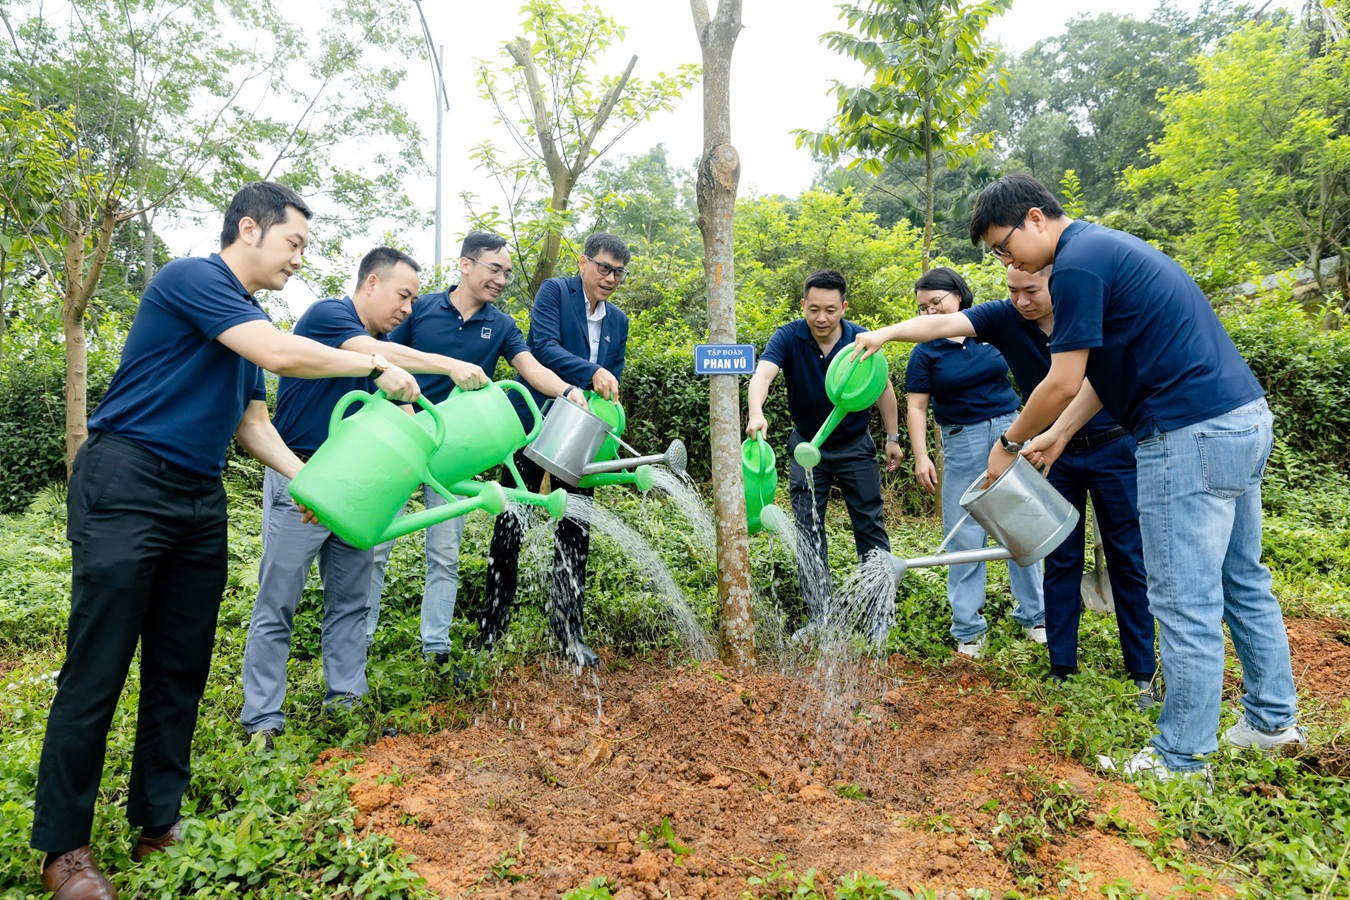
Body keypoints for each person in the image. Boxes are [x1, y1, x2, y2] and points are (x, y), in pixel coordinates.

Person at [30, 182, 422, 900]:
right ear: (249, 228)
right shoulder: (195, 279)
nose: (299, 259)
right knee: (99, 667)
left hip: (197, 497)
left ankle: (158, 822)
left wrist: (314, 486)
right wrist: (372, 362)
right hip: (127, 481)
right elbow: (278, 354)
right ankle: (65, 849)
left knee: (180, 665)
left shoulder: (245, 319)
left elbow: (252, 424)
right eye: (293, 242)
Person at [966, 172, 1304, 780]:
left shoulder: (1074, 268)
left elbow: (1062, 379)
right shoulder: (1105, 250)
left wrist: (1008, 442)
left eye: (1003, 244)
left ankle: (1181, 755)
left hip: (1187, 435)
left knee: (1181, 599)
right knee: (1243, 579)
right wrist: (1060, 433)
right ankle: (1272, 722)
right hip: (1240, 419)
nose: (1006, 258)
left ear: (1035, 218)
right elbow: (1104, 375)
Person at [856, 265, 1155, 700]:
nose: (1021, 299)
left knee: (1124, 556)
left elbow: (1080, 384)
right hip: (1042, 449)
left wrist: (1015, 439)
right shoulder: (1000, 320)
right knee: (1055, 552)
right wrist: (885, 333)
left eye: (1031, 290)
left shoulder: (1082, 316)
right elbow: (935, 336)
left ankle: (1139, 670)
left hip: (1093, 443)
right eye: (1013, 290)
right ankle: (1058, 665)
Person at [240, 247, 491, 747]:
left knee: (351, 602)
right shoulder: (330, 316)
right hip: (302, 478)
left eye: (416, 300)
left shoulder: (382, 349)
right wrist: (449, 364)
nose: (408, 308)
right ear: (371, 284)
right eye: (402, 295)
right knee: (279, 602)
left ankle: (347, 706)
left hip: (359, 485)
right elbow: (373, 357)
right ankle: (262, 718)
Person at [365, 231, 584, 664]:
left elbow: (531, 369)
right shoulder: (420, 308)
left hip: (457, 451)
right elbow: (382, 357)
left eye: (506, 272)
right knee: (375, 548)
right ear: (465, 265)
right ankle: (361, 640)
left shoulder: (501, 325)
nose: (502, 279)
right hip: (402, 435)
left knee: (444, 552)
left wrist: (567, 390)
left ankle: (436, 647)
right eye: (494, 269)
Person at [479, 233, 632, 669]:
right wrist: (592, 371)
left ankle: (568, 632)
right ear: (583, 263)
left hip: (580, 431)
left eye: (618, 272)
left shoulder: (618, 320)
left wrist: (605, 397)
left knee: (576, 528)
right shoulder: (555, 292)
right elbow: (542, 347)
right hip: (535, 419)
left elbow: (611, 378)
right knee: (513, 518)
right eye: (603, 267)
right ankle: (492, 631)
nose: (610, 278)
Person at [745, 269, 903, 638]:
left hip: (854, 448)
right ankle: (820, 617)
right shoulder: (788, 336)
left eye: (830, 310)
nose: (821, 318)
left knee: (871, 529)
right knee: (807, 532)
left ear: (843, 307)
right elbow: (763, 375)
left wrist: (892, 436)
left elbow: (883, 389)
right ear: (803, 305)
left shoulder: (861, 339)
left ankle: (880, 614)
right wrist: (756, 412)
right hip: (807, 449)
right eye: (813, 309)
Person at [897, 268, 1046, 658]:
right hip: (961, 440)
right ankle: (968, 629)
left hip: (1010, 432)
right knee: (964, 533)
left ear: (958, 296)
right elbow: (916, 405)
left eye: (936, 302)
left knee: (1021, 523)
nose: (930, 312)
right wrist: (920, 454)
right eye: (922, 307)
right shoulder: (924, 350)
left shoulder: (992, 331)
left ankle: (1036, 616)